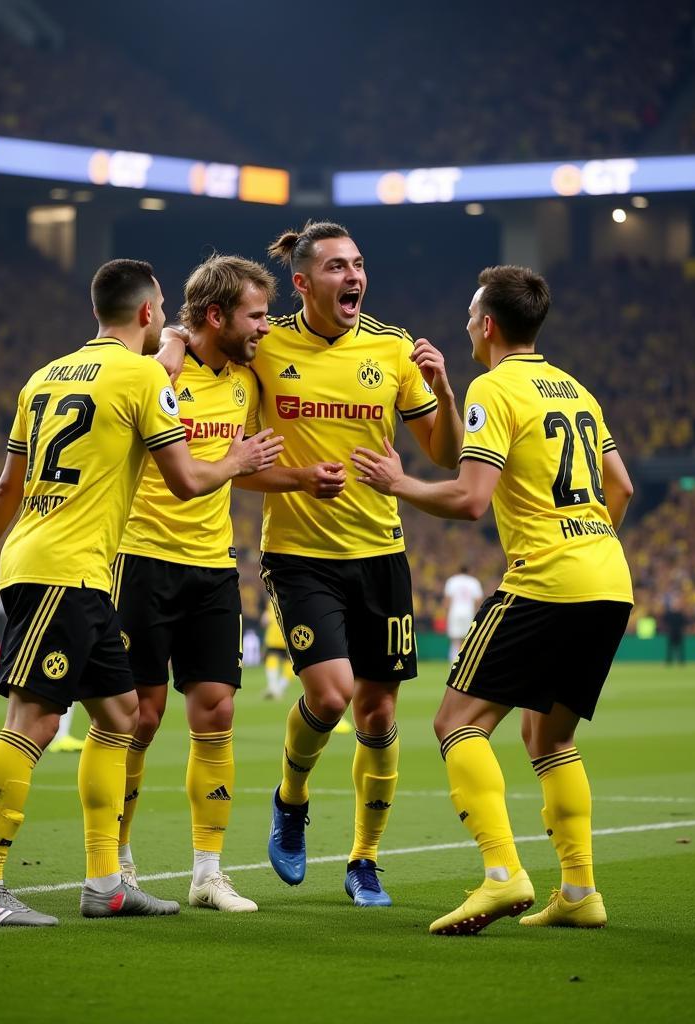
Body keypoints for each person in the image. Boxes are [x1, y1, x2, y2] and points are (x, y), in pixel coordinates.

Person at [0, 258, 282, 927]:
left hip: (67, 568)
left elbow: (5, 487)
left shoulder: (44, 375)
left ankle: (106, 882)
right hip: (63, 569)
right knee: (34, 721)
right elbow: (188, 481)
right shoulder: (144, 376)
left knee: (121, 715)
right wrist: (239, 461)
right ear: (147, 313)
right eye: (162, 307)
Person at [162, 220, 463, 906]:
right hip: (299, 555)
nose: (352, 276)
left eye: (358, 264)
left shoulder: (391, 347)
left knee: (380, 717)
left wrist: (444, 391)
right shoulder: (264, 348)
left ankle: (364, 859)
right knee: (331, 696)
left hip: (381, 552)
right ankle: (291, 799)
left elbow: (443, 455)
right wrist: (176, 340)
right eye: (336, 267)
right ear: (303, 282)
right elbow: (235, 460)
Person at [351, 265, 634, 934]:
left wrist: (399, 483)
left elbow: (471, 499)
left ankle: (503, 875)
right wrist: (585, 545)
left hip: (547, 580)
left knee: (457, 722)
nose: (465, 326)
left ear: (488, 325)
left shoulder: (494, 387)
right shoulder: (577, 391)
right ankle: (579, 890)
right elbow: (619, 487)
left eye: (470, 315)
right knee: (548, 735)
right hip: (608, 578)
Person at [113, 254, 318, 913]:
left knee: (219, 711)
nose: (265, 326)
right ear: (215, 316)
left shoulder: (244, 380)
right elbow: (217, 461)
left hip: (213, 566)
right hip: (142, 558)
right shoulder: (158, 371)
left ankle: (207, 873)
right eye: (256, 315)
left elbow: (245, 465)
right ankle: (115, 858)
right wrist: (169, 340)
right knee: (140, 716)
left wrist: (302, 478)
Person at [443, 567, 485, 662]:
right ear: (468, 571)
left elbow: (447, 600)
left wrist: (446, 613)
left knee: (455, 641)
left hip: (455, 613)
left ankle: (453, 664)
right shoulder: (474, 582)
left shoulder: (452, 581)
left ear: (458, 571)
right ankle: (465, 663)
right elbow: (479, 600)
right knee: (468, 640)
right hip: (468, 613)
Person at [262, 603, 295, 701]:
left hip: (274, 637)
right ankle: (278, 689)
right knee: (290, 664)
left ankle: (274, 688)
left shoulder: (271, 601)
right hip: (288, 637)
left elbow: (265, 619)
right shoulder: (293, 597)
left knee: (271, 659)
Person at [663, 594, 686, 666]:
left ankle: (681, 662)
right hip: (672, 632)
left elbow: (684, 623)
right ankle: (669, 661)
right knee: (670, 648)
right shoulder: (670, 614)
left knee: (680, 648)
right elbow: (665, 621)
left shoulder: (681, 614)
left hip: (678, 632)